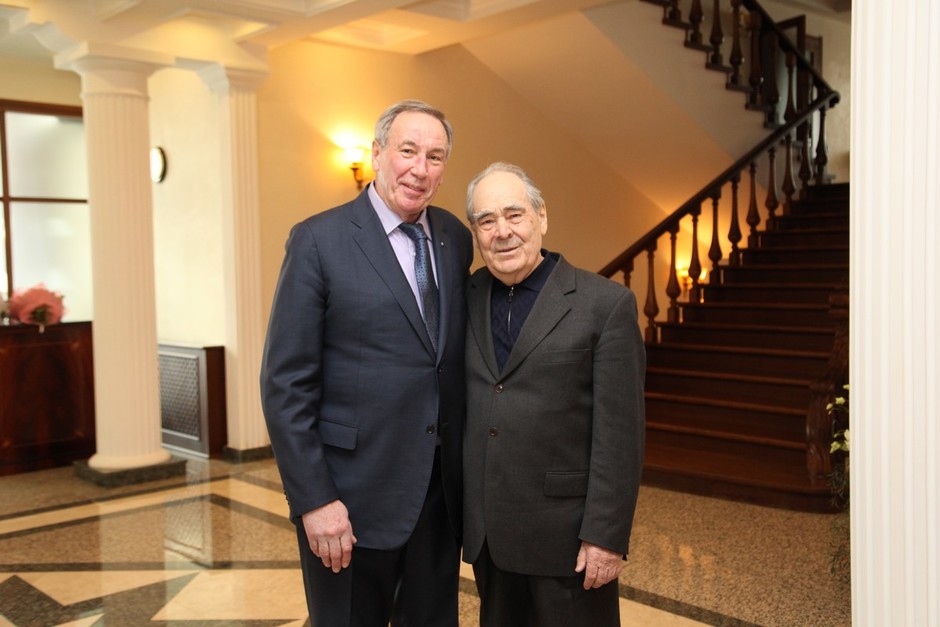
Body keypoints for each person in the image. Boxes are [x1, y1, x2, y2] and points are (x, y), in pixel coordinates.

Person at [260, 99, 473, 626]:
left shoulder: (454, 238)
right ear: (377, 154)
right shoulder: (318, 240)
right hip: (349, 500)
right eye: (407, 151)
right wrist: (315, 500)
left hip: (438, 500)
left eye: (435, 157)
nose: (420, 169)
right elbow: (286, 384)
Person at [462, 162, 646, 627]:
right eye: (487, 221)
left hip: (568, 542)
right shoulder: (466, 297)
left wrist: (605, 537)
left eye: (514, 215)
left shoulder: (604, 305)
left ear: (541, 216)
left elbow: (620, 436)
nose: (502, 232)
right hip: (489, 538)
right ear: (476, 233)